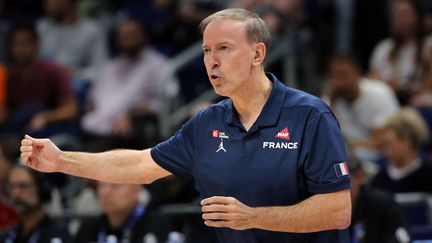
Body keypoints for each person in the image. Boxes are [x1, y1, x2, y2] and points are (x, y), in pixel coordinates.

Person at [20, 8, 352, 243]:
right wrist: (63, 161)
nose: (212, 61)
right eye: (207, 50)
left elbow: (337, 211)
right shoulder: (208, 122)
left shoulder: (310, 116)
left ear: (257, 53)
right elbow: (140, 164)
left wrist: (253, 217)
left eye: (224, 48)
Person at [81, 18, 177, 151]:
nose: (127, 39)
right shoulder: (111, 66)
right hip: (98, 126)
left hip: (132, 127)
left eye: (131, 34)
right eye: (123, 36)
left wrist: (131, 115)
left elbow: (167, 101)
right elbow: (92, 99)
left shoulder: (159, 64)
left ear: (143, 35)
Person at [0, 24, 78, 138]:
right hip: (21, 130)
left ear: (36, 44)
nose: (19, 50)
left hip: (52, 130)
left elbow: (70, 109)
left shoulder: (53, 71)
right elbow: (8, 112)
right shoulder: (11, 75)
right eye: (15, 45)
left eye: (24, 44)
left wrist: (45, 117)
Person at [326, 53, 400, 160]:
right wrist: (331, 103)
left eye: (343, 75)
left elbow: (379, 142)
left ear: (357, 74)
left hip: (383, 157)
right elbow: (326, 139)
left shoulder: (379, 93)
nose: (338, 82)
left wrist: (349, 148)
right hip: (350, 156)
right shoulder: (331, 100)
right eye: (334, 76)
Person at [74, 181, 170, 243]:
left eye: (115, 185)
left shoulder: (155, 223)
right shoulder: (89, 227)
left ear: (137, 189)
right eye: (102, 185)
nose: (105, 192)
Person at [37, 0, 108, 83]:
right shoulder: (42, 27)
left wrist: (75, 74)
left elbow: (100, 70)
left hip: (76, 85)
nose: (47, 2)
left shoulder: (92, 30)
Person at [0, 165, 71, 243]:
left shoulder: (57, 233)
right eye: (11, 186)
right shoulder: (7, 236)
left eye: (23, 186)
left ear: (40, 189)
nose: (16, 193)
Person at [349, 155, 411, 243]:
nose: (335, 188)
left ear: (359, 176)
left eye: (341, 181)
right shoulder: (329, 211)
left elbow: (403, 239)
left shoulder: (384, 203)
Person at [371, 107, 432, 193]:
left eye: (389, 144)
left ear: (407, 142)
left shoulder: (427, 175)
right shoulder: (380, 176)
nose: (385, 151)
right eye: (383, 145)